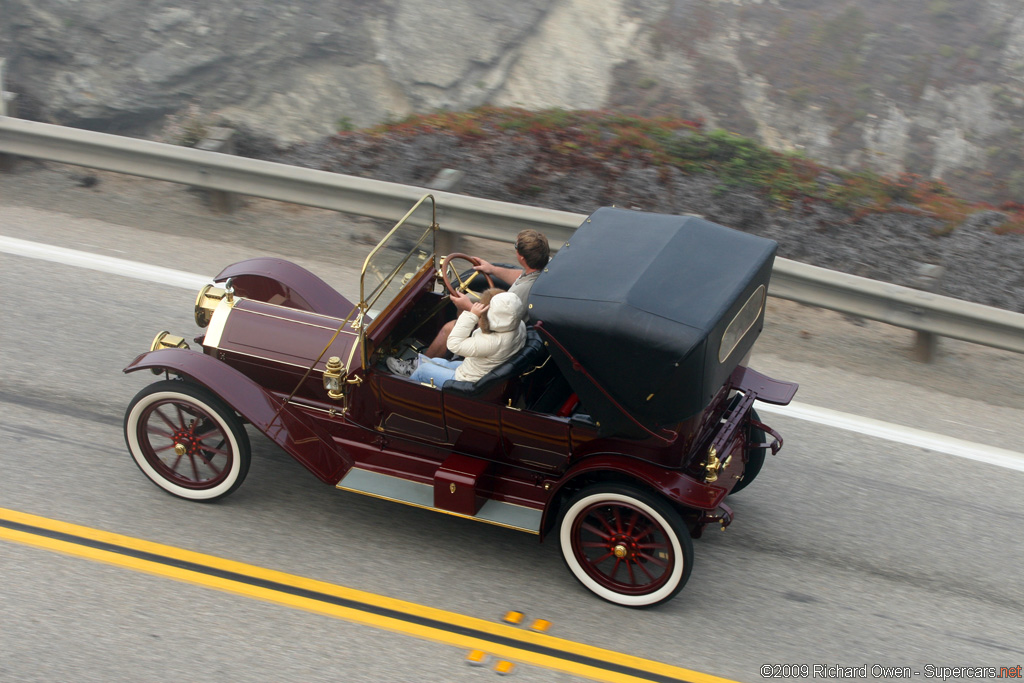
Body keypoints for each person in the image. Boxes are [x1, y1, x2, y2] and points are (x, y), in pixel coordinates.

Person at [421, 229, 549, 358]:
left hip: (499, 337)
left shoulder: (520, 293)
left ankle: (419, 367)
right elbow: (519, 276)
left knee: (449, 329)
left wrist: (467, 306)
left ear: (521, 257)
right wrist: (492, 269)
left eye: (516, 246)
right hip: (512, 329)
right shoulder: (544, 266)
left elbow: (494, 323)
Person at [388, 289, 527, 386]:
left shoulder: (491, 342)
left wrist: (472, 315)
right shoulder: (518, 326)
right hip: (479, 370)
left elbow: (454, 344)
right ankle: (410, 369)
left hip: (468, 380)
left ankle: (404, 396)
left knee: (423, 371)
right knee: (435, 361)